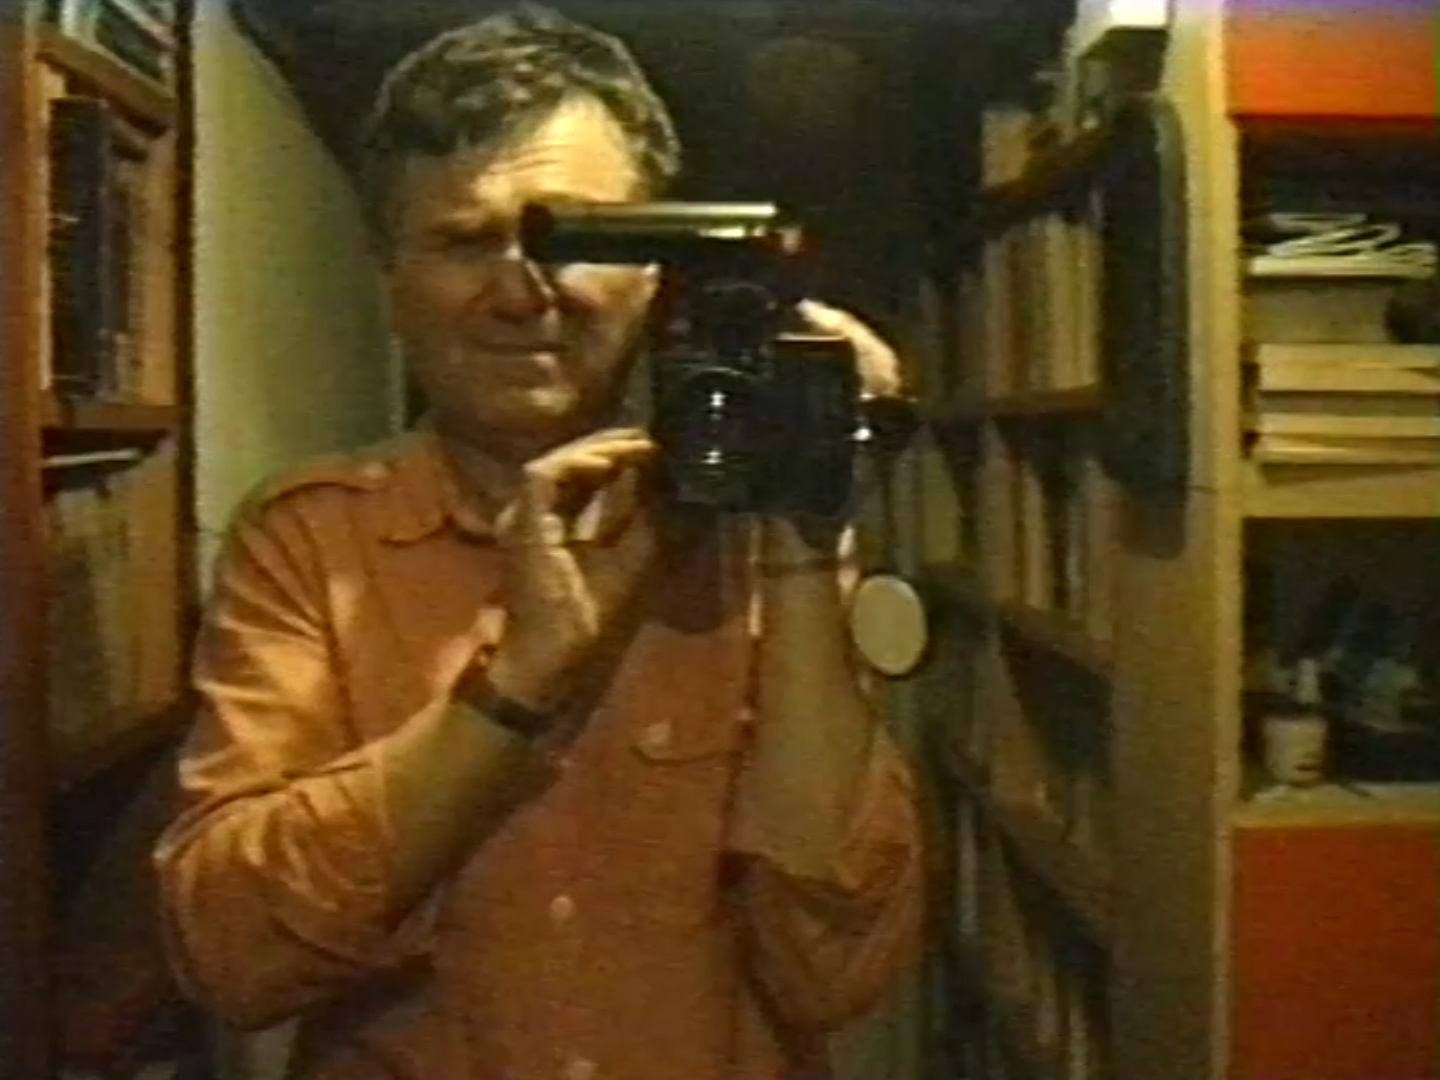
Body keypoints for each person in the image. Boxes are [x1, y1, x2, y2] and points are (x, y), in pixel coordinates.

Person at [153, 5, 923, 1078]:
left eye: (575, 240)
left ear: (653, 272)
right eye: (463, 241)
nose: (521, 292)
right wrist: (513, 687)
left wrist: (803, 530)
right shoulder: (311, 543)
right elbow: (230, 956)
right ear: (391, 281)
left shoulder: (752, 541)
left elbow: (832, 973)